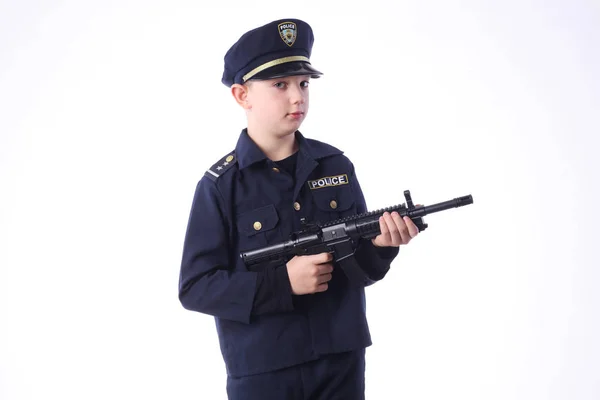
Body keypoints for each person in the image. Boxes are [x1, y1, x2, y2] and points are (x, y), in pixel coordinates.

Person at [178, 18, 419, 399]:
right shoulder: (221, 186)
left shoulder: (335, 166)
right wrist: (281, 285)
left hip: (340, 358)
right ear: (242, 96)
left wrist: (384, 245)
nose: (298, 97)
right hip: (263, 368)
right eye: (280, 85)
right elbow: (195, 288)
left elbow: (359, 271)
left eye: (304, 84)